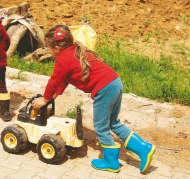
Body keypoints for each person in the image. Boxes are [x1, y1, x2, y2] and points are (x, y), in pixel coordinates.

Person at [32, 25, 156, 173]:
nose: (49, 51)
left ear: (57, 48)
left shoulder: (62, 60)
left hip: (104, 89)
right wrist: (55, 95)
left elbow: (54, 80)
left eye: (48, 48)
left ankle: (111, 162)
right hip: (115, 82)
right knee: (113, 123)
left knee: (101, 126)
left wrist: (45, 99)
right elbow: (64, 80)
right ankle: (144, 148)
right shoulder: (73, 50)